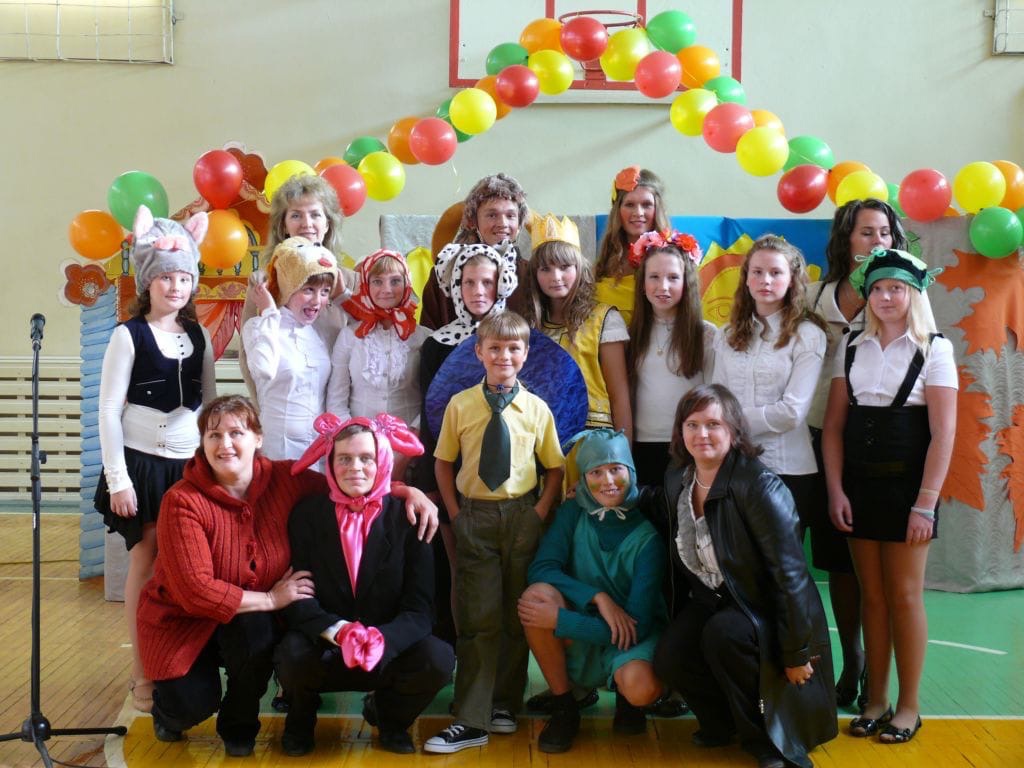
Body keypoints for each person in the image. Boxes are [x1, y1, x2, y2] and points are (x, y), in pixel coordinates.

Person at [135, 395, 438, 756]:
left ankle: (239, 728)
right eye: (214, 435)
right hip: (186, 620)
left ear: (258, 438)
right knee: (191, 705)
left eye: (236, 433)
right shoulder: (182, 500)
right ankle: (169, 714)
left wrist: (405, 490)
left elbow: (351, 484)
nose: (225, 444)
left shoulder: (286, 479)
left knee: (257, 633)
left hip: (246, 615)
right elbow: (195, 591)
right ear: (202, 442)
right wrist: (270, 599)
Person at [653, 384, 837, 768]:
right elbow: (652, 502)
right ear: (680, 431)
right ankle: (722, 724)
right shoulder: (678, 478)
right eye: (692, 424)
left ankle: (767, 740)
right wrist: (611, 492)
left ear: (734, 430)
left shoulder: (759, 485)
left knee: (725, 634)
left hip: (761, 604)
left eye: (713, 424)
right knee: (672, 654)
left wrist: (796, 652)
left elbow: (790, 575)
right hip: (716, 598)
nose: (702, 434)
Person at [823, 248, 956, 744]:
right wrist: (836, 489)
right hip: (860, 488)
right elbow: (834, 428)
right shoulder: (851, 346)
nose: (884, 297)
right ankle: (875, 699)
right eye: (876, 288)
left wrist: (925, 503)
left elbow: (943, 433)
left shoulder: (935, 349)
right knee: (872, 597)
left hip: (908, 492)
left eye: (895, 288)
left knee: (903, 595)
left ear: (913, 293)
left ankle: (909, 706)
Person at [424, 312, 565, 753]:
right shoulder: (461, 405)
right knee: (479, 617)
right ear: (479, 352)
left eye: (513, 348)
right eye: (495, 348)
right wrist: (456, 514)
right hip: (476, 518)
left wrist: (538, 513)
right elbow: (443, 463)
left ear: (526, 354)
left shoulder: (536, 409)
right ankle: (472, 715)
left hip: (522, 517)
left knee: (516, 616)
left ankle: (505, 703)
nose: (504, 356)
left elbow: (555, 468)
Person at [274, 413, 455, 756]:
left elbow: (420, 609)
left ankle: (389, 718)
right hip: (327, 645)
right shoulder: (307, 514)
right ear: (330, 464)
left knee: (438, 658)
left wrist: (382, 640)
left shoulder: (410, 516)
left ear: (382, 461)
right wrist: (339, 631)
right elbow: (300, 597)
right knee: (291, 653)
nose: (355, 468)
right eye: (344, 458)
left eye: (366, 458)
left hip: (386, 648)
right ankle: (300, 719)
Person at [94, 204, 214, 713]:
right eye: (166, 277)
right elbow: (107, 408)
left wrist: (211, 468)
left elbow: (209, 404)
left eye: (184, 277)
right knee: (145, 560)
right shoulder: (128, 334)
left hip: (188, 469)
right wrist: (118, 478)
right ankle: (141, 671)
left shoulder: (199, 335)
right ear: (149, 281)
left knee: (187, 566)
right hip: (141, 465)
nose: (176, 286)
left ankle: (185, 662)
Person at [807, 198, 908, 710]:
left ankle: (884, 682)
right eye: (866, 232)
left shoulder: (901, 297)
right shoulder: (815, 295)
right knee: (839, 565)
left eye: (884, 233)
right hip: (821, 435)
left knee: (880, 571)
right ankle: (853, 660)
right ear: (846, 239)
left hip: (880, 445)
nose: (877, 242)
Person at [519, 429, 667, 753]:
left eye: (616, 469)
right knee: (535, 599)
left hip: (629, 637)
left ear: (631, 471)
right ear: (583, 479)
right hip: (589, 623)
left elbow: (638, 627)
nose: (608, 480)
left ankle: (629, 700)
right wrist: (598, 598)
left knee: (640, 686)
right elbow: (541, 569)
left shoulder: (648, 538)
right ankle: (565, 706)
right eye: (596, 472)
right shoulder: (573, 512)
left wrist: (562, 621)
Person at [415, 240, 519, 641]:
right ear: (455, 287)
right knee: (462, 571)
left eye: (487, 282)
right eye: (469, 282)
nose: (478, 291)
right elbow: (430, 419)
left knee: (509, 573)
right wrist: (432, 482)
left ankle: (504, 664)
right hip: (453, 472)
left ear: (501, 284)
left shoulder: (517, 338)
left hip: (509, 474)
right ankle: (467, 654)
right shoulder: (437, 345)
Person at [711, 235, 828, 536]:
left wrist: (729, 422)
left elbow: (791, 413)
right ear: (746, 278)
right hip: (733, 467)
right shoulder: (725, 335)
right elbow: (716, 401)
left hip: (788, 470)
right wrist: (720, 420)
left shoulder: (807, 334)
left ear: (791, 280)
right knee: (737, 557)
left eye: (776, 272)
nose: (766, 280)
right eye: (758, 272)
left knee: (781, 561)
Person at [240, 174, 356, 401]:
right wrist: (264, 408)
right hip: (284, 409)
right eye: (296, 215)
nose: (306, 223)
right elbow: (248, 354)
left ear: (327, 224)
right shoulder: (264, 282)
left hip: (339, 410)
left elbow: (362, 347)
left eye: (315, 214)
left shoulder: (351, 281)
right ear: (283, 226)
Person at [524, 212, 632, 438]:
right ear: (535, 274)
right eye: (545, 269)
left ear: (579, 268)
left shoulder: (603, 319)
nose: (556, 276)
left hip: (593, 443)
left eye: (565, 266)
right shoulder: (529, 326)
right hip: (542, 439)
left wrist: (624, 451)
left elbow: (619, 396)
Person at [328, 249, 430, 478]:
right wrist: (354, 445)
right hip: (358, 455)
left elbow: (429, 400)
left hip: (411, 452)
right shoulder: (349, 336)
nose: (387, 289)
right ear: (366, 285)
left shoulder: (424, 337)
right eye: (377, 281)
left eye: (395, 281)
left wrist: (407, 449)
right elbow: (336, 399)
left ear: (407, 284)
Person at [627, 229, 714, 485]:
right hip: (641, 446)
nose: (663, 287)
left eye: (673, 278)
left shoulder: (706, 334)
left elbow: (714, 395)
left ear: (687, 283)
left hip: (689, 446)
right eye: (654, 277)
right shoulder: (630, 335)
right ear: (642, 283)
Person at [243, 236, 338, 461]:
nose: (317, 300)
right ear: (288, 288)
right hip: (278, 449)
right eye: (308, 289)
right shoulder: (259, 326)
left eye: (325, 291)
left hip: (319, 450)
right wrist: (269, 311)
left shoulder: (318, 334)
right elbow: (263, 369)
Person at [418, 173, 530, 330]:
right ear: (473, 221)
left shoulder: (530, 275)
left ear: (519, 223)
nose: (502, 223)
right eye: (492, 215)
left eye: (510, 215)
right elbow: (428, 334)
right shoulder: (445, 273)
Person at [593, 166, 671, 325]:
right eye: (630, 204)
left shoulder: (672, 259)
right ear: (618, 211)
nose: (638, 212)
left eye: (646, 204)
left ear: (657, 209)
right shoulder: (603, 264)